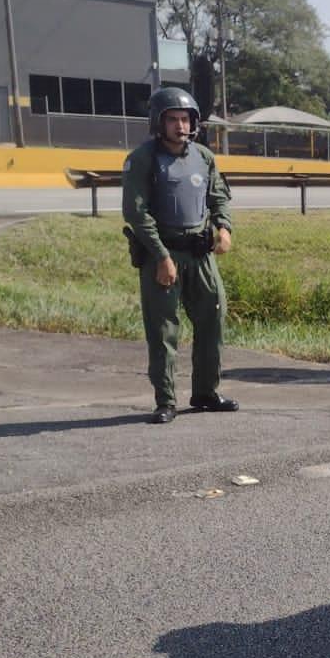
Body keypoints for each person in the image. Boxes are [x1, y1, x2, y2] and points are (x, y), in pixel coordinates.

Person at [122, 87, 237, 425]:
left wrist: (224, 229)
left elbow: (218, 196)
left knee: (212, 320)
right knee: (163, 330)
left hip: (201, 255)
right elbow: (136, 213)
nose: (180, 126)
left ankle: (205, 392)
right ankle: (166, 400)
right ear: (159, 122)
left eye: (185, 119)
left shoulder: (204, 156)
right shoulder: (142, 158)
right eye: (172, 119)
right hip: (164, 255)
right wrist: (160, 256)